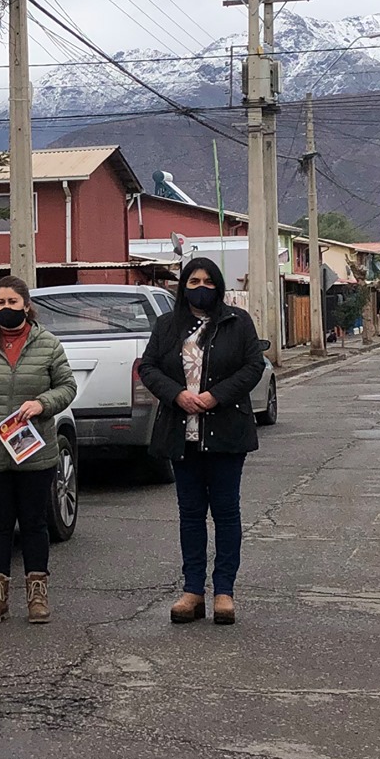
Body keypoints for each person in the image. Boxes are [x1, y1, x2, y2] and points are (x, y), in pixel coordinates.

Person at [139, 258, 267, 625]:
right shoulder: (167, 325)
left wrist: (216, 396)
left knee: (226, 513)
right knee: (191, 514)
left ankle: (224, 591)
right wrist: (176, 394)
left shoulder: (237, 322)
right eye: (194, 281)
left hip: (226, 432)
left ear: (219, 286)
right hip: (182, 434)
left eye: (208, 281)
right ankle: (192, 591)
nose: (201, 287)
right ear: (183, 286)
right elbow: (148, 367)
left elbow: (253, 366)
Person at [0, 275, 77, 626]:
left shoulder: (47, 343)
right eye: (0, 303)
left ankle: (37, 596)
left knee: (35, 523)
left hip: (36, 451)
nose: (6, 308)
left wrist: (43, 404)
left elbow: (67, 386)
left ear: (26, 305)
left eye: (12, 302)